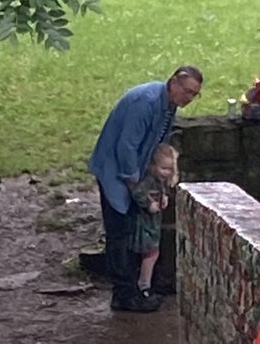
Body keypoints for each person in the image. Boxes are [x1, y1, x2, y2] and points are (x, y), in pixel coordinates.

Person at [87, 65, 203, 312]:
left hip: (137, 170)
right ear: (173, 82)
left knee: (132, 230)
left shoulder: (168, 106)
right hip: (115, 169)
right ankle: (124, 294)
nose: (189, 98)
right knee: (118, 231)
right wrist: (134, 185)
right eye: (187, 91)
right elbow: (126, 146)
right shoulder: (145, 102)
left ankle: (136, 286)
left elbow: (157, 143)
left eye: (195, 94)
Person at [129, 143, 179, 299]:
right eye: (163, 168)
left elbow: (160, 190)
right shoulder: (149, 180)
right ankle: (144, 286)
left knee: (151, 254)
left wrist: (163, 197)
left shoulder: (159, 181)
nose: (167, 173)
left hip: (153, 224)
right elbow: (138, 192)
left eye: (170, 169)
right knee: (150, 255)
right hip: (144, 224)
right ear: (153, 166)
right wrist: (149, 204)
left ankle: (144, 284)